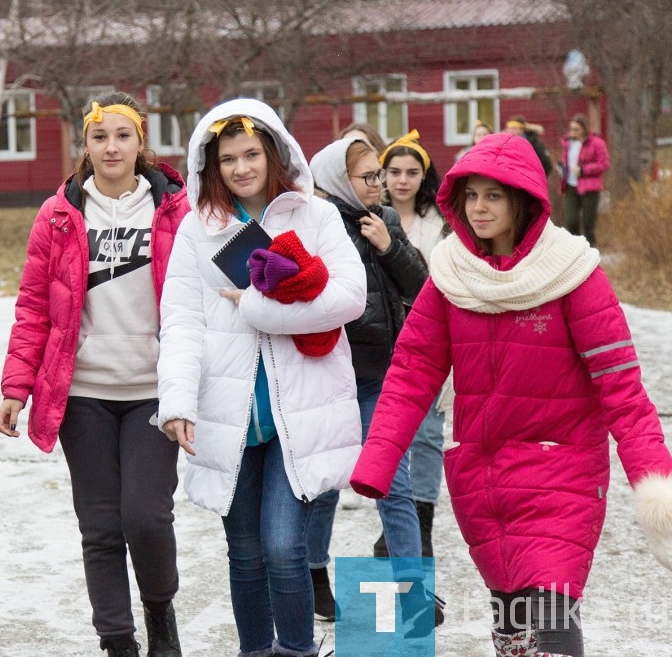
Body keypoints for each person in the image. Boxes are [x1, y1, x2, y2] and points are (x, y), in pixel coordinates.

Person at [350, 131, 672, 657]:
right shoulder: (451, 276)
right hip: (484, 484)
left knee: (551, 634)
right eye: (471, 195)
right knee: (514, 639)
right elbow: (412, 373)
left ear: (522, 199)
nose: (479, 208)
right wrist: (378, 459)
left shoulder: (572, 274)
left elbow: (623, 389)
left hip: (562, 477)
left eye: (494, 196)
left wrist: (659, 488)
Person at [157, 98, 367, 657]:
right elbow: (180, 319)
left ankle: (297, 649)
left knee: (280, 545)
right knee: (244, 552)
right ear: (211, 165)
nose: (241, 167)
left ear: (274, 153)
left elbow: (349, 298)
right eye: (228, 158)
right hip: (229, 416)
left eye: (251, 153)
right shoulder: (198, 231)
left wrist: (256, 307)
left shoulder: (316, 217)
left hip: (298, 412)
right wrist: (177, 402)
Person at [0, 92, 189, 657]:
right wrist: (16, 386)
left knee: (146, 517)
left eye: (123, 135)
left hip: (154, 391)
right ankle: (117, 641)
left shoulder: (176, 209)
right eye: (100, 137)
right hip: (81, 393)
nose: (111, 147)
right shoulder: (59, 215)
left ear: (141, 143)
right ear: (85, 144)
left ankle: (159, 613)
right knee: (101, 526)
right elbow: (33, 306)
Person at [306, 136, 432, 628]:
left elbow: (422, 289)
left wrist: (391, 246)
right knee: (329, 486)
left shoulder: (387, 222)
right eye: (369, 177)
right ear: (339, 181)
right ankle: (317, 579)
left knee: (392, 485)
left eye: (380, 174)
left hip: (385, 378)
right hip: (332, 380)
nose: (380, 185)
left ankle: (414, 595)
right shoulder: (317, 228)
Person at [376, 129, 451, 561]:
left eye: (412, 172)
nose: (403, 180)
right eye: (394, 171)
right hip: (381, 343)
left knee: (426, 437)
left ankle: (421, 527)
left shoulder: (440, 225)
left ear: (424, 176)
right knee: (387, 438)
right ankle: (393, 525)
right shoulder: (371, 217)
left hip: (428, 342)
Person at [559, 113, 610, 246]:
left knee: (588, 223)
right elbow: (566, 160)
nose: (573, 132)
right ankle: (577, 248)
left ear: (584, 129)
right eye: (571, 129)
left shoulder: (596, 143)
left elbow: (604, 163)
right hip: (571, 185)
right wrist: (562, 167)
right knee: (571, 221)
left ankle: (591, 248)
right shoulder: (568, 143)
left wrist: (583, 170)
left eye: (576, 129)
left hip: (590, 186)